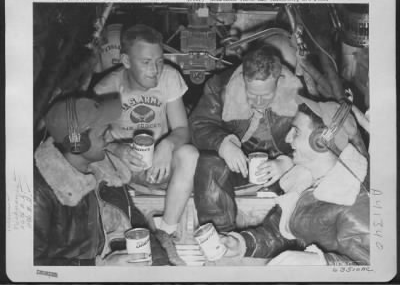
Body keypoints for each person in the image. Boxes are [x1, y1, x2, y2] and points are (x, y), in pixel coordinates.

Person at [216, 96, 370, 266]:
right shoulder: (303, 182)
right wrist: (242, 244)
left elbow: (370, 271)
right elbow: (278, 233)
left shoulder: (354, 200)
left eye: (296, 132)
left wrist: (319, 263)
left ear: (320, 141)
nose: (288, 139)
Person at [34, 95, 168, 266]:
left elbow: (134, 222)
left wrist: (161, 264)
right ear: (78, 144)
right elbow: (31, 268)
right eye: (102, 135)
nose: (109, 139)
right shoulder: (40, 192)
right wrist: (100, 268)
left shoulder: (103, 168)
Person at [93, 24, 199, 238]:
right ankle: (113, 236)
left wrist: (167, 146)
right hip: (121, 166)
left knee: (190, 154)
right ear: (126, 61)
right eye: (146, 62)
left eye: (159, 61)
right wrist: (118, 150)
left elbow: (181, 129)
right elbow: (90, 141)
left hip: (160, 163)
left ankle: (166, 233)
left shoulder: (169, 77)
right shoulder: (107, 88)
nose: (155, 69)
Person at [189, 45, 303, 231]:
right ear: (243, 80)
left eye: (266, 95)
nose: (258, 102)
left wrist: (287, 163)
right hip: (237, 167)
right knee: (208, 163)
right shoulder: (220, 87)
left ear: (279, 81)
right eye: (252, 94)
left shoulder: (300, 95)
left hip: (281, 170)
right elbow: (198, 124)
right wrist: (223, 144)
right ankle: (221, 236)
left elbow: (316, 143)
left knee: (308, 175)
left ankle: (286, 237)